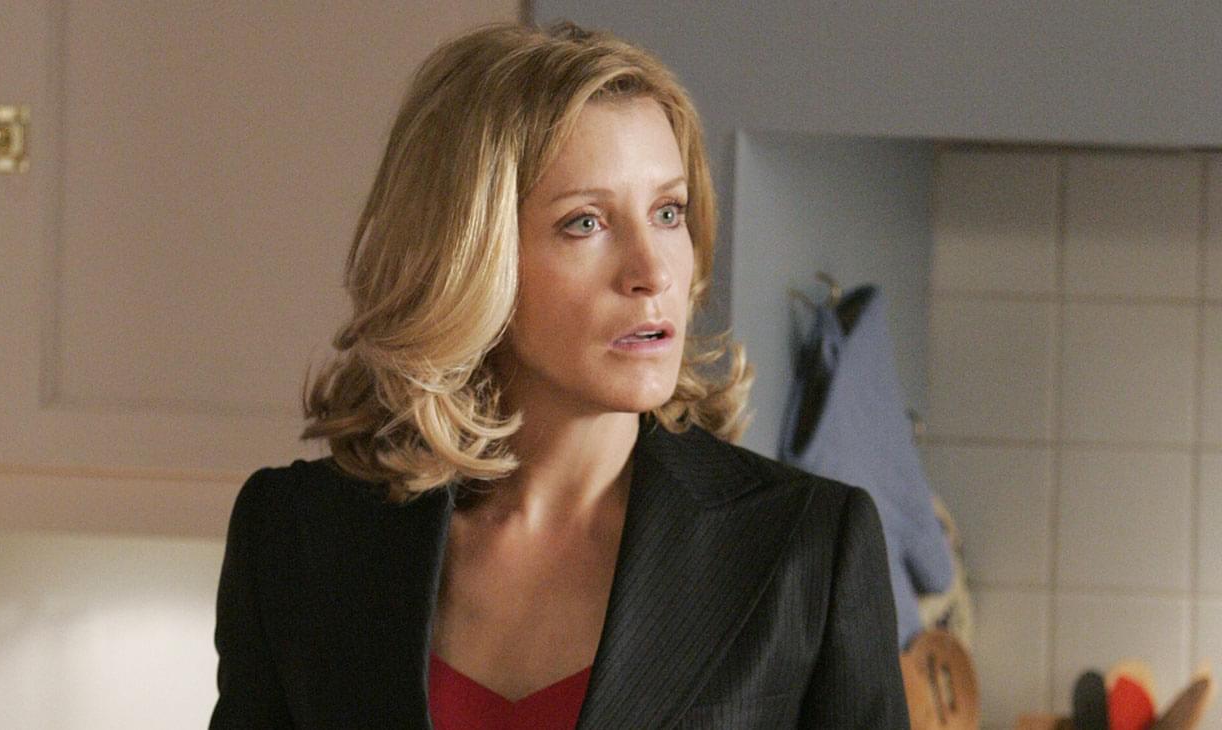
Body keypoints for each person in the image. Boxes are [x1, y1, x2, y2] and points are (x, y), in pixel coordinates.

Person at [210, 21, 909, 729]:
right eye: (586, 223)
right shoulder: (297, 538)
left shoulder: (805, 548)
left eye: (668, 212)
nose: (652, 271)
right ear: (467, 255)